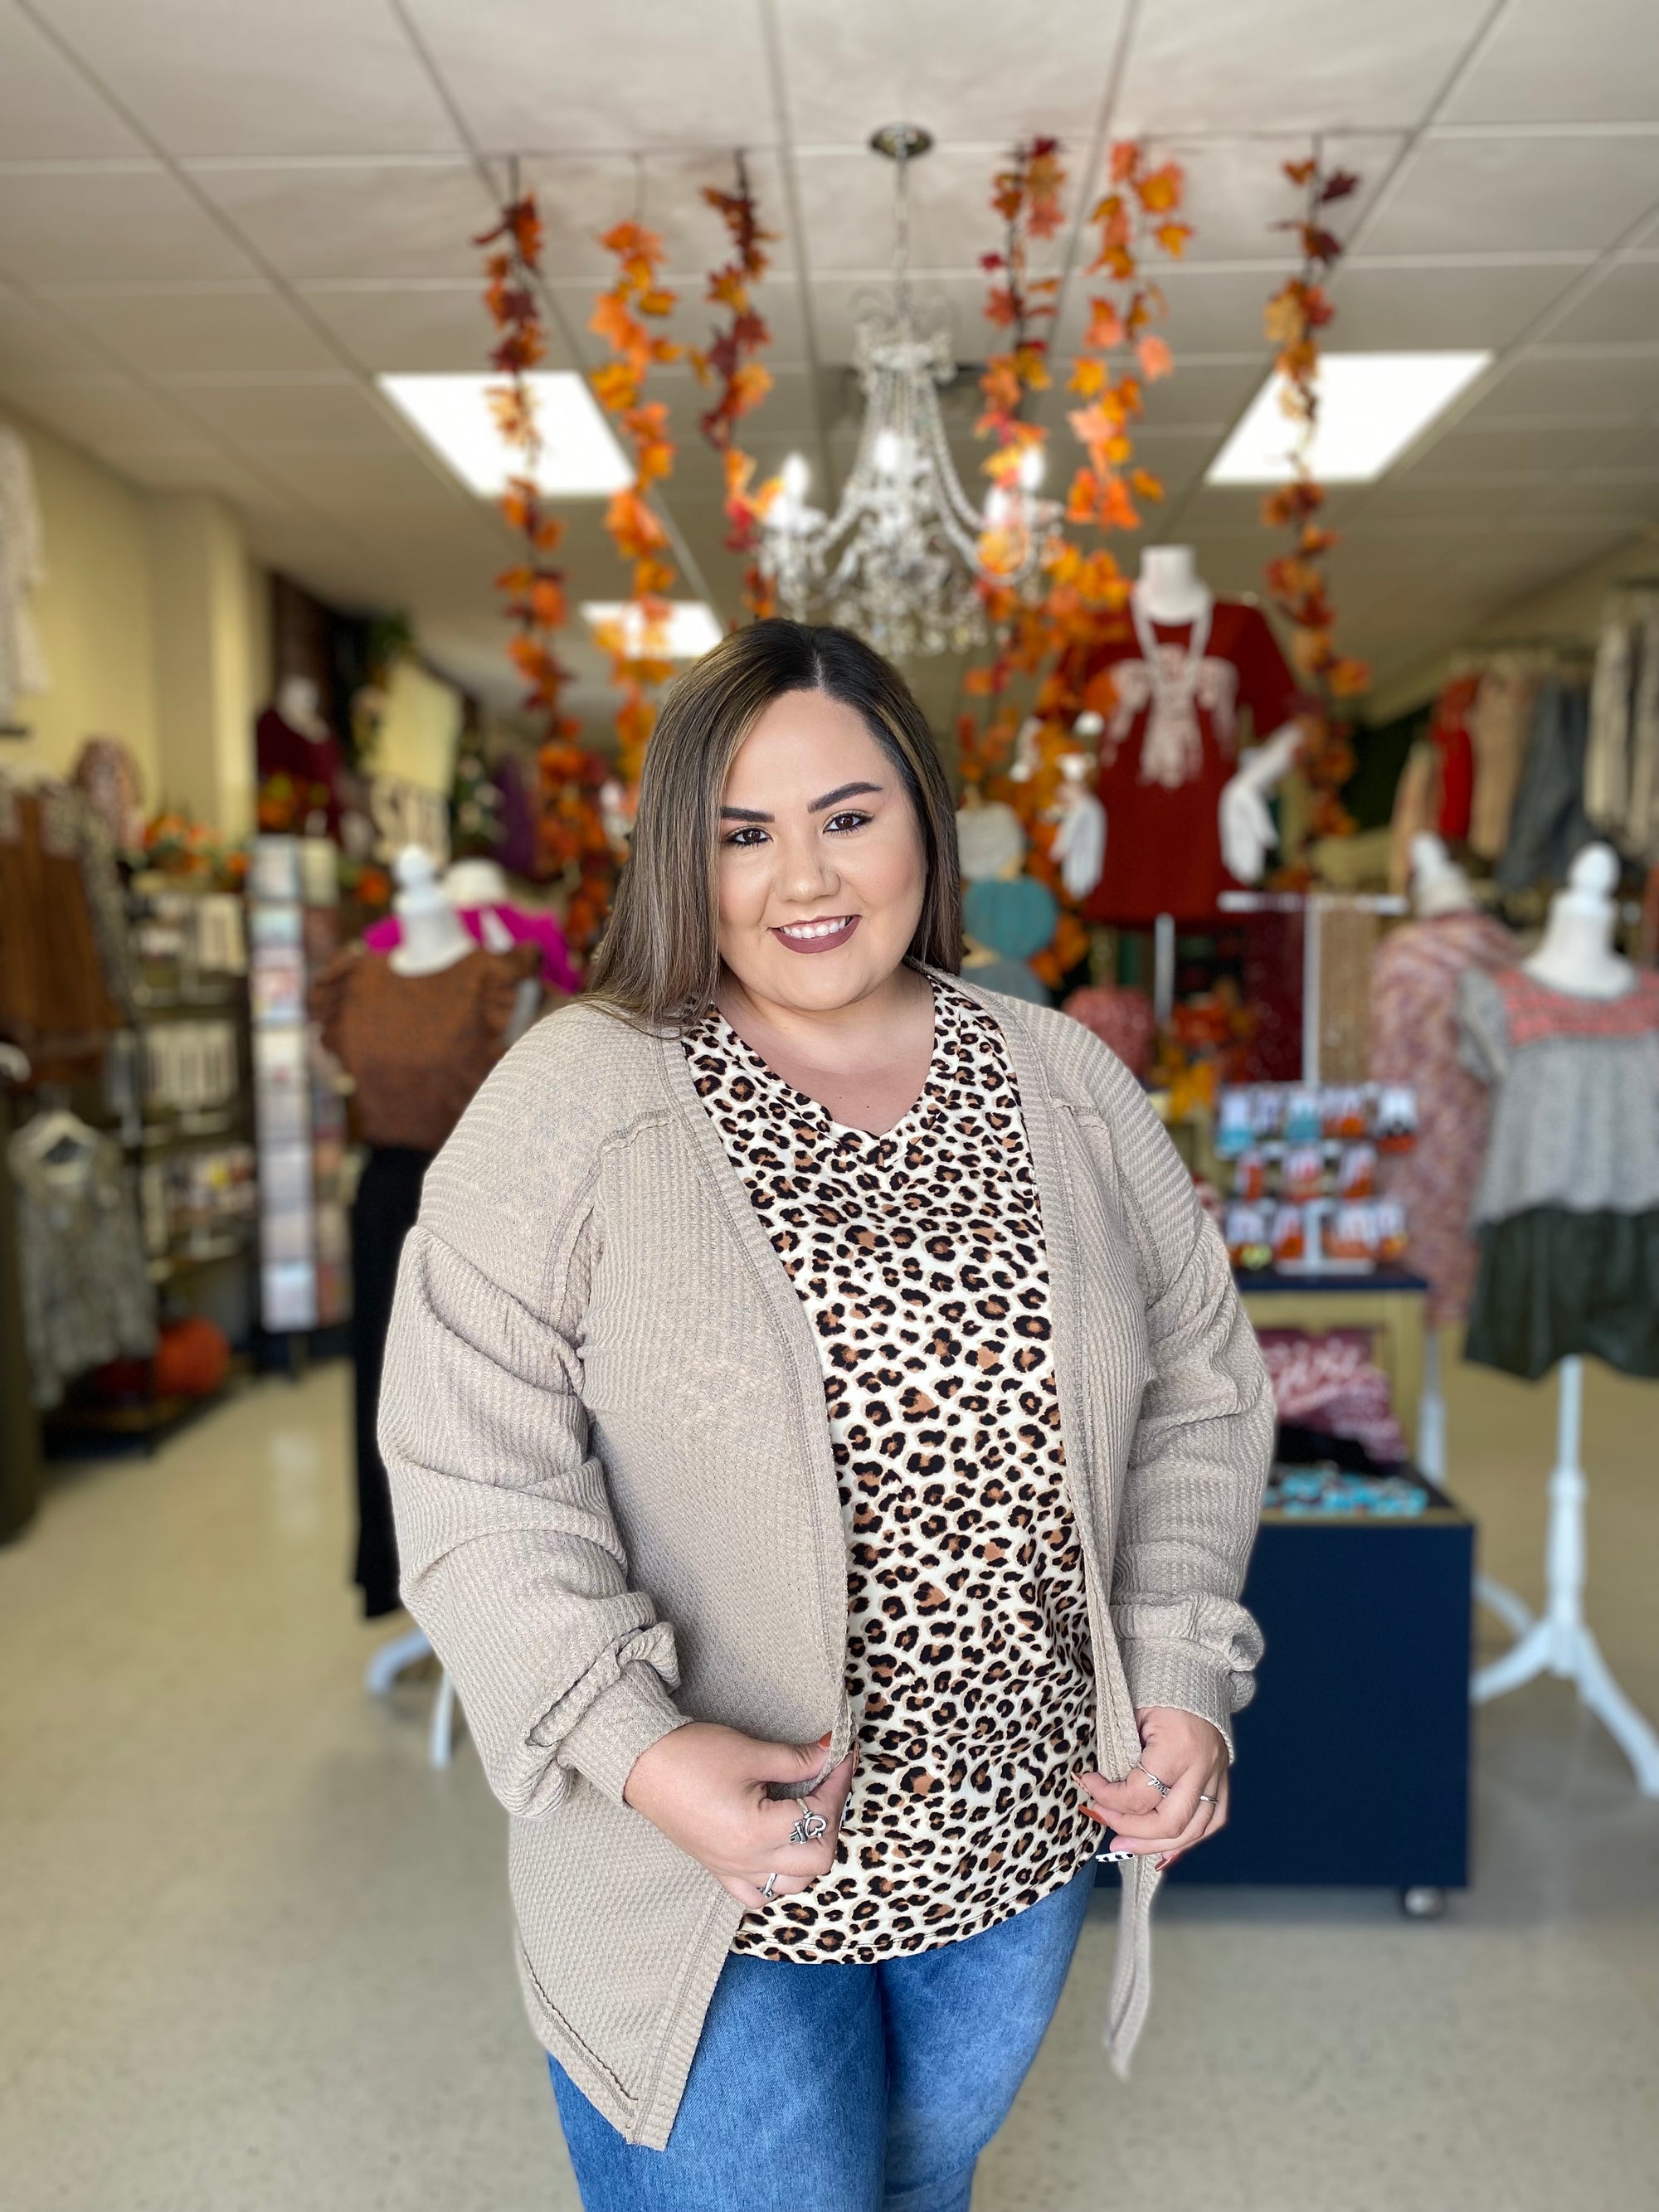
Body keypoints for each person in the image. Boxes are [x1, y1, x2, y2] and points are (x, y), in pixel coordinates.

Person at [379, 620, 1273, 2212]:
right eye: (742, 833)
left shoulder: (1068, 1084)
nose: (803, 878)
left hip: (1014, 1844)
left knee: (923, 2191)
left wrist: (1186, 1670)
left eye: (846, 816)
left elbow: (1200, 1389)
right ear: (683, 857)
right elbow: (469, 1466)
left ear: (924, 819)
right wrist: (631, 1750)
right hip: (701, 1873)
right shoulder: (578, 1098)